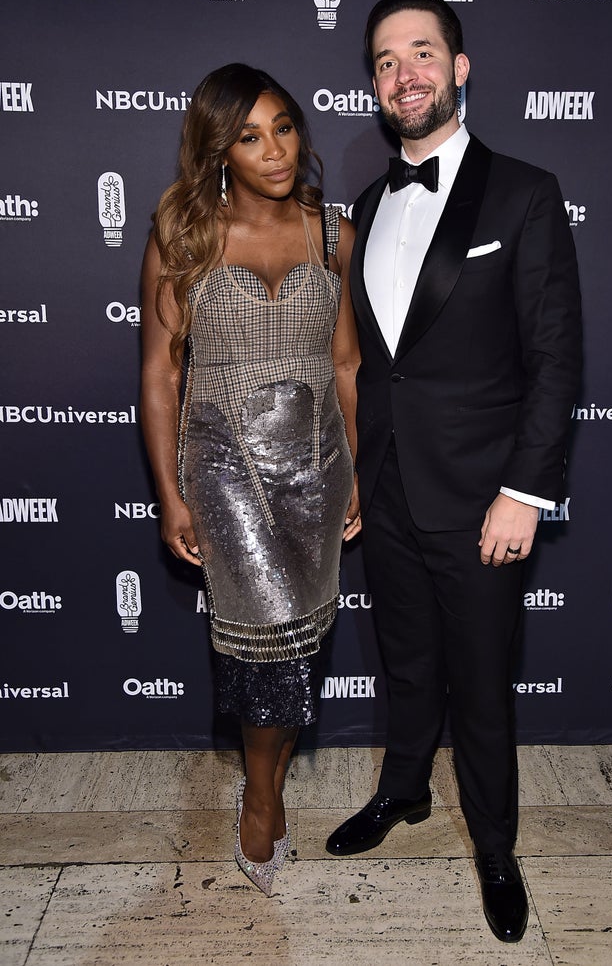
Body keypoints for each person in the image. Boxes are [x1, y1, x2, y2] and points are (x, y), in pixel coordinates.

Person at [325, 0, 582, 943]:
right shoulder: (364, 205)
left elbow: (555, 357)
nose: (407, 74)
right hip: (386, 489)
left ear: (460, 68)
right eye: (387, 61)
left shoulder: (523, 192)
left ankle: (497, 850)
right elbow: (368, 364)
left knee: (480, 684)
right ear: (376, 85)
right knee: (406, 663)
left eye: (423, 52)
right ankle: (403, 793)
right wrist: (358, 472)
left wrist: (524, 491)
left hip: (484, 501)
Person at [140, 63, 361, 897]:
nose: (273, 151)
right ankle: (263, 799)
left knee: (300, 642)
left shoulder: (332, 233)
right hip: (225, 468)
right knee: (260, 648)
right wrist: (171, 492)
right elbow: (161, 373)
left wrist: (360, 475)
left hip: (315, 465)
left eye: (284, 128)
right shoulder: (182, 231)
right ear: (218, 148)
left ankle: (262, 781)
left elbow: (346, 363)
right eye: (249, 135)